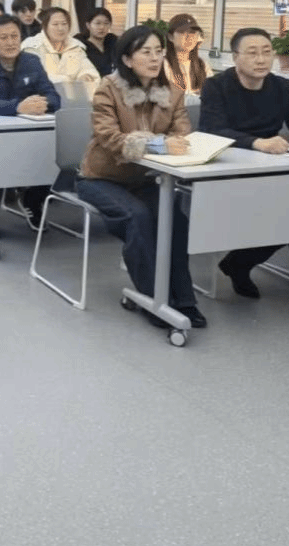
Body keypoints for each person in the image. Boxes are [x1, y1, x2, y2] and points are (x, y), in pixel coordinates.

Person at [76, 24, 205, 328]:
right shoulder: (108, 88)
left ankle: (184, 300)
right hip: (102, 178)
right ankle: (153, 299)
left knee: (175, 220)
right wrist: (157, 144)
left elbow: (182, 133)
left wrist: (169, 143)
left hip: (147, 178)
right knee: (138, 217)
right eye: (145, 52)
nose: (155, 58)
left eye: (159, 51)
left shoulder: (173, 92)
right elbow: (109, 137)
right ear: (127, 59)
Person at [200, 28, 289, 298]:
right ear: (235, 57)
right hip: (228, 167)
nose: (261, 59)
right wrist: (256, 143)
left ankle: (240, 262)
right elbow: (212, 130)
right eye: (252, 53)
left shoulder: (281, 86)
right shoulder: (216, 86)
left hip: (271, 167)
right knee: (286, 211)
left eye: (266, 52)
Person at [0, 15, 62, 238]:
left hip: (26, 131)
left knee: (55, 148)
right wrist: (17, 107)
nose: (10, 42)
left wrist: (42, 104)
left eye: (14, 36)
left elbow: (53, 96)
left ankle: (33, 200)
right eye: (3, 38)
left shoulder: (31, 61)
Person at [21, 6, 99, 95]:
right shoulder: (32, 46)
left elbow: (87, 69)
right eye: (55, 24)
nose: (60, 28)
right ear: (45, 26)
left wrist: (86, 76)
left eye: (64, 24)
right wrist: (66, 81)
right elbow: (33, 77)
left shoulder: (75, 46)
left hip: (73, 99)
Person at [163, 12, 208, 96]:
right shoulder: (163, 65)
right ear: (170, 37)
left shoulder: (202, 64)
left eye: (192, 32)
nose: (189, 37)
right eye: (183, 32)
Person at [77, 7, 117, 77]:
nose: (102, 27)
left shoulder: (114, 43)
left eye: (106, 23)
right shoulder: (80, 46)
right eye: (98, 23)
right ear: (88, 25)